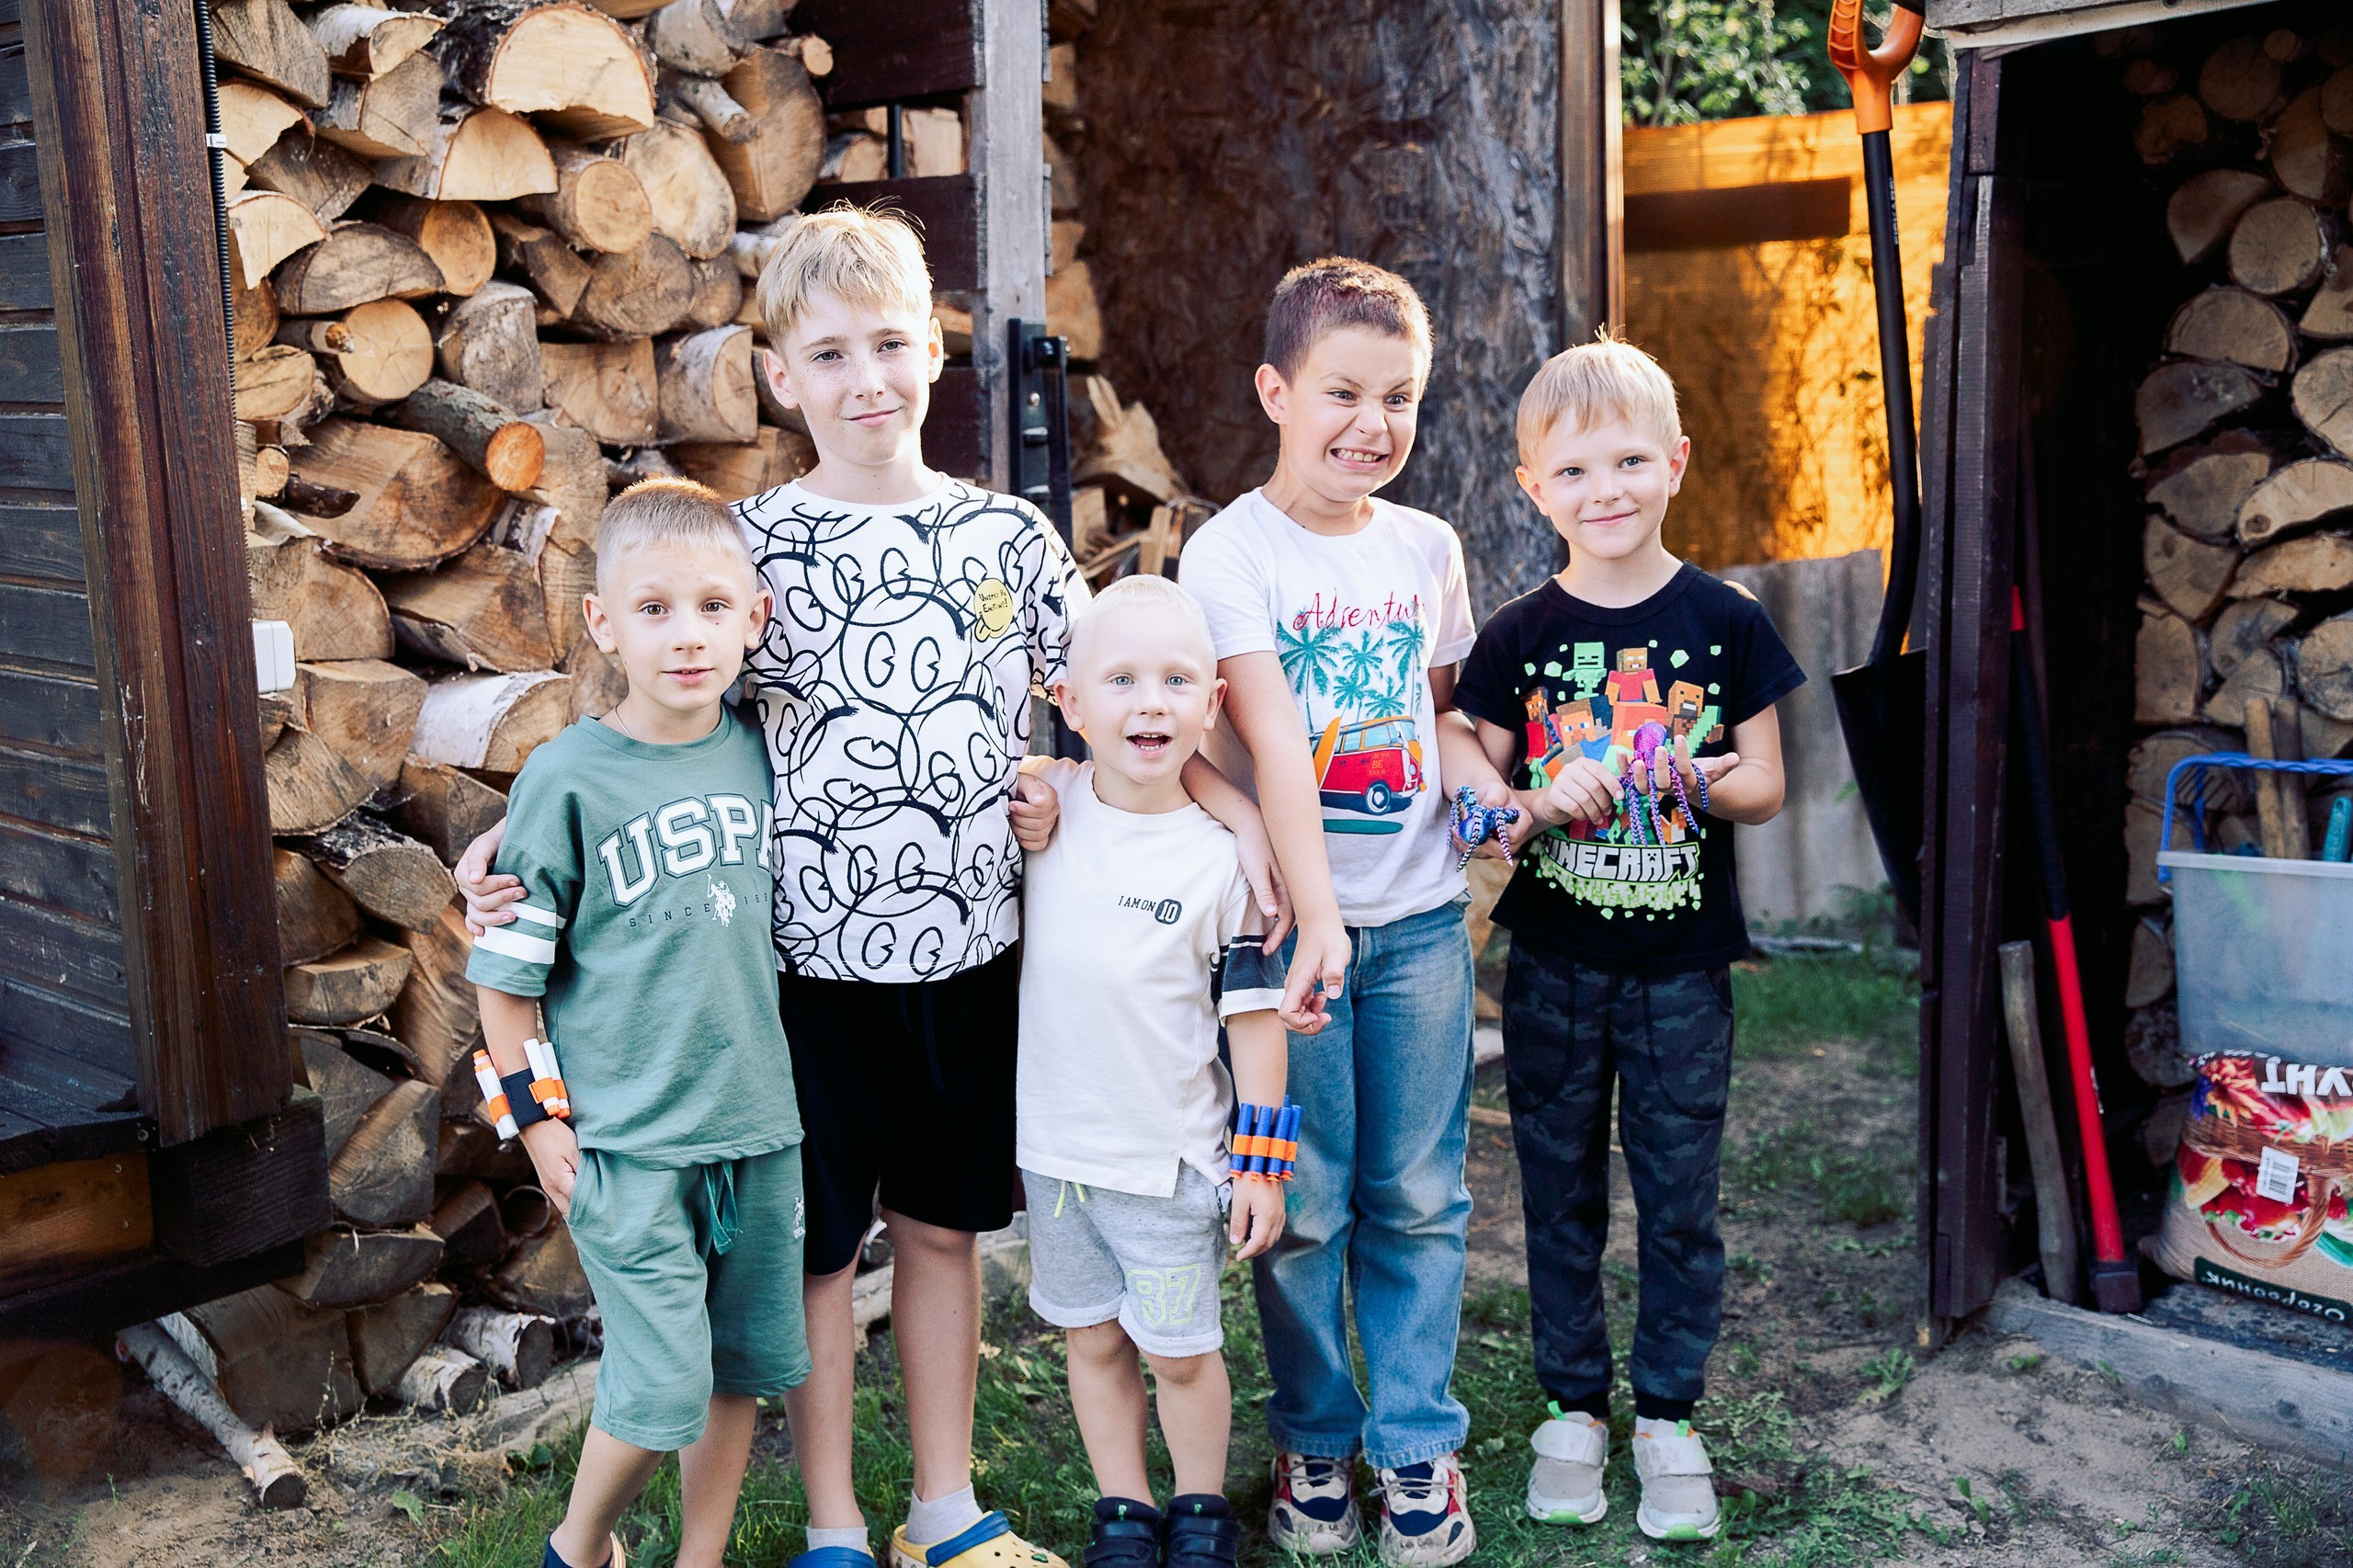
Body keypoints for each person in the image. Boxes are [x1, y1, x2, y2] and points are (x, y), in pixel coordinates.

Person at [463, 207, 1290, 1568]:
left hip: (969, 956)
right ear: (781, 377)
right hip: (804, 972)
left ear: (936, 353)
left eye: (892, 345)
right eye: (830, 353)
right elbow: (657, 722)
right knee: (818, 1260)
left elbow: (1123, 693)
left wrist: (1225, 809)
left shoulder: (1009, 539)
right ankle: (839, 1518)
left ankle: (945, 1503)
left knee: (943, 1235)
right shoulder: (758, 548)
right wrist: (508, 840)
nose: (867, 380)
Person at [1453, 335, 1802, 1543]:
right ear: (1531, 486)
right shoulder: (1516, 635)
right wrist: (1531, 804)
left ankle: (1666, 1415)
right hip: (1550, 964)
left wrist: (1697, 778)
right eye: (1577, 470)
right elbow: (1472, 788)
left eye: (1630, 461)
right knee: (1557, 1194)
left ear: (1677, 463)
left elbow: (1767, 781)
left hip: (1682, 973)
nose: (1606, 490)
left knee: (1680, 1198)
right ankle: (1571, 1408)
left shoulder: (1726, 619)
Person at [1176, 257, 1488, 1567]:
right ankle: (1316, 1432)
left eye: (1399, 398)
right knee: (1299, 1197)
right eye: (1343, 393)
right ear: (1276, 392)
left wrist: (1480, 793)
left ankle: (1415, 1444)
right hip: (1296, 936)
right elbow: (1272, 745)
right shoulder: (1230, 548)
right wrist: (1313, 916)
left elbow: (1446, 713)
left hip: (1417, 922)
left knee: (1417, 1191)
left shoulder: (1426, 547)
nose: (1372, 423)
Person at [467, 479, 808, 1568]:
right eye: (653, 609)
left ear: (754, 616)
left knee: (740, 1366)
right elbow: (505, 986)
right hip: (625, 1142)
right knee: (660, 1378)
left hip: (758, 1128)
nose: (687, 635)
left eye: (714, 606)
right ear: (602, 624)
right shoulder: (566, 779)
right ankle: (580, 1547)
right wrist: (537, 1123)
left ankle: (699, 1558)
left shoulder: (767, 751)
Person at [1013, 574, 1294, 1568]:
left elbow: (1258, 1026)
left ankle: (1202, 1507)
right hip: (1054, 1155)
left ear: (1213, 704)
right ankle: (1125, 1509)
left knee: (1178, 1348)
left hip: (1169, 1158)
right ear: (1071, 700)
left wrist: (1261, 1164)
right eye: (1122, 678)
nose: (1149, 701)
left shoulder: (1223, 861)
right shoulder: (1036, 818)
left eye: (1178, 679)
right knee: (1090, 1337)